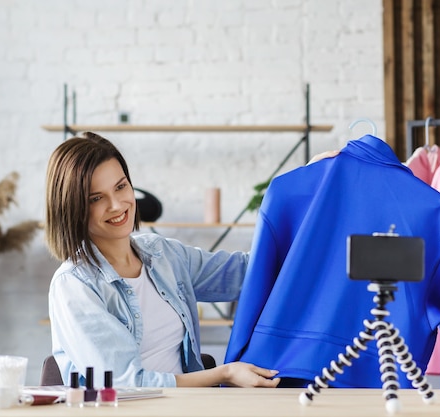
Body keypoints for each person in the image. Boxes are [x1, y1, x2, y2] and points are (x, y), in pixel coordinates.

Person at [45, 132, 281, 388]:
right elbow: (125, 384)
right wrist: (224, 374)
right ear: (72, 207)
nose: (117, 205)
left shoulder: (162, 255)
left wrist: (310, 183)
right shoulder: (74, 286)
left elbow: (245, 274)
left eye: (121, 186)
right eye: (96, 198)